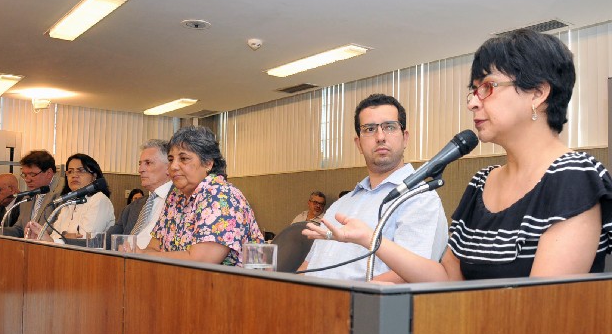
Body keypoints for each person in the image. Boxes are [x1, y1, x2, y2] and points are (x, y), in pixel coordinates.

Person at [304, 29, 612, 282]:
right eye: (473, 91)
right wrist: (372, 240)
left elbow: (542, 306)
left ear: (538, 93)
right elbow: (446, 280)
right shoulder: (482, 182)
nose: (473, 103)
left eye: (488, 87)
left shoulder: (574, 176)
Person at [298, 94, 449, 282]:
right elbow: (309, 265)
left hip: (357, 300)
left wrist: (339, 297)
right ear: (359, 144)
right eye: (369, 129)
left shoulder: (419, 198)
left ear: (405, 138)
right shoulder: (340, 205)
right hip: (310, 298)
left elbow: (413, 275)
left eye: (390, 127)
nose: (380, 137)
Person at [142, 126, 263, 266]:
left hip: (230, 280)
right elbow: (153, 247)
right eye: (170, 159)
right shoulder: (175, 196)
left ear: (208, 163)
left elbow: (200, 261)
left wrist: (146, 255)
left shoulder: (222, 196)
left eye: (183, 159)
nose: (173, 166)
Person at [25, 153, 115, 242]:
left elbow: (86, 240)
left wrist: (61, 237)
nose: (74, 175)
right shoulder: (68, 202)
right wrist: (65, 236)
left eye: (80, 171)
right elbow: (54, 235)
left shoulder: (99, 200)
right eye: (70, 171)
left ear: (94, 176)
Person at [107, 140, 172, 249]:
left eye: (148, 163)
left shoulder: (181, 202)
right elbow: (107, 241)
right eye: (140, 164)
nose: (140, 170)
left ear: (168, 167)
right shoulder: (132, 207)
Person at [2, 150, 64, 238]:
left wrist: (35, 233)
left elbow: (61, 228)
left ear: (49, 173)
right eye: (25, 175)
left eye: (32, 174)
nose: (27, 180)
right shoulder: (28, 196)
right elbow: (19, 229)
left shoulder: (63, 192)